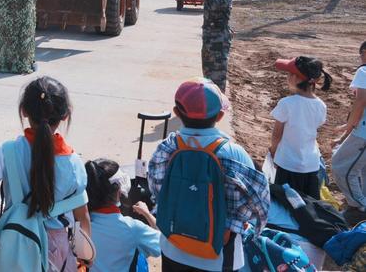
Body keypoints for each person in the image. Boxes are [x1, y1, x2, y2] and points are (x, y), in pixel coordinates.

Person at [0, 77, 92, 271]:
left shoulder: (7, 152)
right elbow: (82, 218)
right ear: (65, 115)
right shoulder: (74, 163)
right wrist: (84, 259)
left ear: (24, 111)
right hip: (56, 252)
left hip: (13, 242)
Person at [149, 78, 269, 272]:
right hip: (218, 256)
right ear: (220, 115)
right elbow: (258, 203)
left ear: (177, 113)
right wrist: (236, 224)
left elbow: (157, 190)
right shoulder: (234, 154)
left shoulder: (166, 148)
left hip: (173, 247)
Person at [269, 56, 331, 199]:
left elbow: (277, 135)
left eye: (289, 74)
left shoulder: (286, 103)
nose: (287, 77)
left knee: (285, 204)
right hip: (311, 164)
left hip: (288, 164)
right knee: (308, 206)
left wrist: (273, 152)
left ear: (295, 78)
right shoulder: (321, 106)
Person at [85, 158, 159, 272]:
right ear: (119, 192)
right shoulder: (132, 227)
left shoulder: (82, 225)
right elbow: (163, 245)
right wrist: (147, 214)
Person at [333, 40, 366, 224]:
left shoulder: (364, 70)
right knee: (362, 170)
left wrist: (349, 126)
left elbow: (361, 100)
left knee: (341, 166)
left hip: (363, 133)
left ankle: (359, 207)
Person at [201, 0, 232, 91]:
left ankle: (220, 103)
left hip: (219, 40)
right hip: (208, 39)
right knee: (207, 73)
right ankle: (209, 101)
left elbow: (214, 6)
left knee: (218, 75)